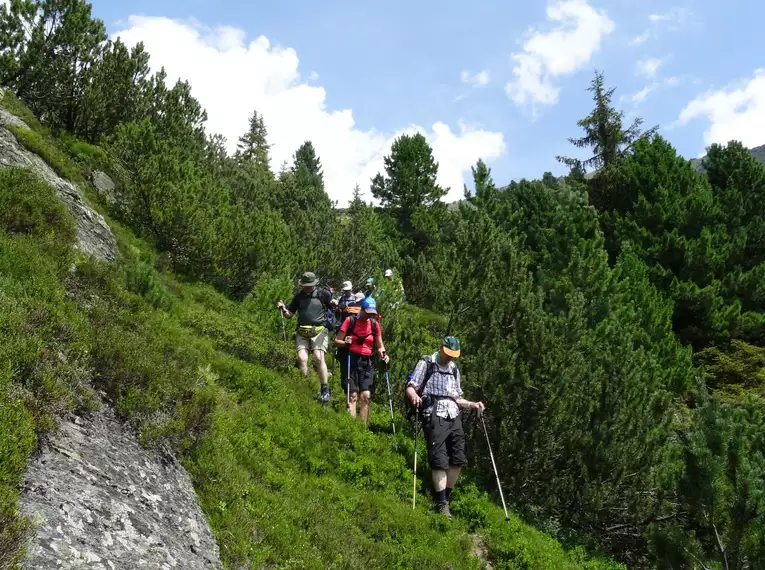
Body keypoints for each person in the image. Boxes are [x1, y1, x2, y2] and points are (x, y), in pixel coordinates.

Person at [405, 336, 484, 520]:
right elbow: (411, 387)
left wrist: (472, 404)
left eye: (454, 355)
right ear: (441, 348)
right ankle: (441, 504)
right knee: (439, 458)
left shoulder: (454, 369)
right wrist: (414, 396)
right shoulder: (427, 363)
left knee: (458, 458)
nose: (451, 358)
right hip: (433, 412)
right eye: (448, 354)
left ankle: (445, 498)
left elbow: (457, 397)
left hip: (453, 414)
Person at [277, 272, 337, 403]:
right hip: (302, 331)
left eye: (310, 285)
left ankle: (324, 389)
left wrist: (334, 303)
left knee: (318, 357)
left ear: (314, 284)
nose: (307, 287)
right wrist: (283, 309)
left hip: (320, 330)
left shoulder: (323, 294)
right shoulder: (298, 297)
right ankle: (306, 387)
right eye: (305, 285)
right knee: (302, 358)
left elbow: (332, 305)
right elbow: (289, 315)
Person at [335, 297, 389, 424]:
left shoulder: (375, 325)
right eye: (368, 312)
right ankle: (350, 428)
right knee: (352, 395)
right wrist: (345, 342)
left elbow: (380, 346)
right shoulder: (350, 321)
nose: (370, 315)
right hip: (350, 359)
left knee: (366, 396)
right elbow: (337, 341)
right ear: (362, 309)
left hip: (367, 362)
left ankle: (362, 429)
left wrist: (383, 354)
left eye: (372, 313)